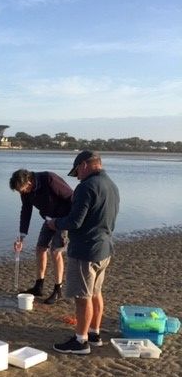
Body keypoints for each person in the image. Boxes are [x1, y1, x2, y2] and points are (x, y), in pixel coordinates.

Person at [47, 150, 120, 354]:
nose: (77, 176)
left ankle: (80, 341)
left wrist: (55, 224)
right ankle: (94, 334)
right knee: (95, 292)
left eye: (77, 171)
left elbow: (74, 222)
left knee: (82, 297)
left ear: (84, 166)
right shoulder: (111, 185)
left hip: (86, 251)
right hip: (104, 248)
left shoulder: (86, 187)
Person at [9, 169, 73, 304]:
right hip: (48, 219)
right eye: (19, 191)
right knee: (40, 249)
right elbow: (26, 211)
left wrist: (72, 221)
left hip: (63, 219)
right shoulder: (25, 191)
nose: (22, 193)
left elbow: (71, 197)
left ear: (29, 181)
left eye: (22, 189)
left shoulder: (49, 179)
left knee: (55, 252)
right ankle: (39, 286)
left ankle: (58, 290)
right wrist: (21, 237)